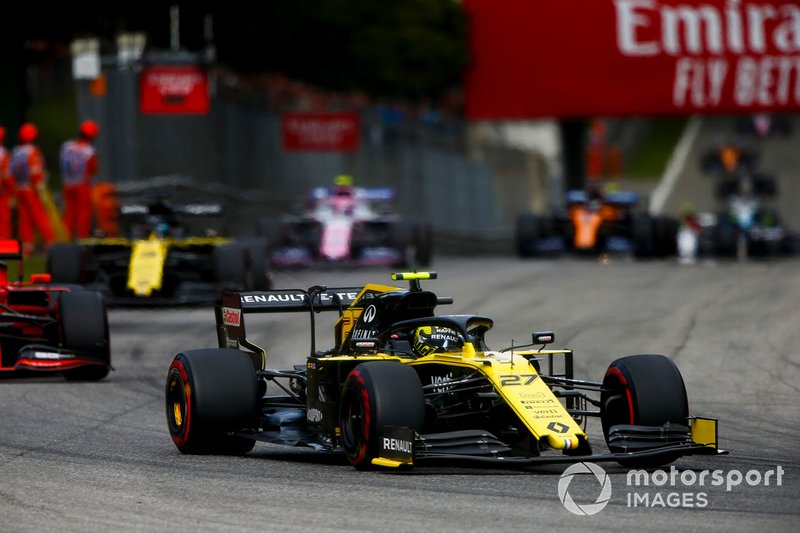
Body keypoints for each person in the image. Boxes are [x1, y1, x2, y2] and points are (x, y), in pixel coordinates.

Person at [9, 122, 55, 255]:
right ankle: (49, 242)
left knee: (24, 219)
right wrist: (40, 188)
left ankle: (27, 247)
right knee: (39, 216)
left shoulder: (16, 151)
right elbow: (35, 173)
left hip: (19, 188)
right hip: (31, 188)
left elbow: (11, 172)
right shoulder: (32, 151)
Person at [60, 119, 99, 239]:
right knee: (83, 213)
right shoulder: (89, 150)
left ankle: (64, 238)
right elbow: (93, 168)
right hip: (82, 184)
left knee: (69, 213)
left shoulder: (67, 146)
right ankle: (82, 239)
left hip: (67, 184)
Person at [0, 127, 15, 239]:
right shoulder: (3, 154)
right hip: (1, 192)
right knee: (3, 220)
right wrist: (13, 193)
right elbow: (7, 175)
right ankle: (3, 248)